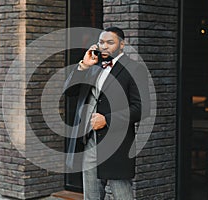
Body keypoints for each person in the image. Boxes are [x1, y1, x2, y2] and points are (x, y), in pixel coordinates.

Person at [64, 27, 150, 200]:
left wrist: (107, 119)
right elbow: (69, 92)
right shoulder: (93, 67)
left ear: (122, 45)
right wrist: (83, 65)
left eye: (110, 42)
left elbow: (142, 108)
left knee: (122, 195)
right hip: (89, 142)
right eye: (101, 42)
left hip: (117, 145)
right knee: (92, 196)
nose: (104, 46)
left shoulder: (134, 69)